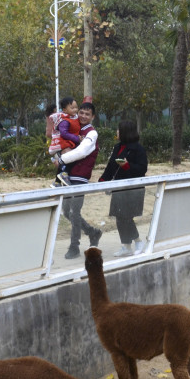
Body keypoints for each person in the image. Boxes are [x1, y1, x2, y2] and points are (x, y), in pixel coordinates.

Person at [54, 101, 102, 259]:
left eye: (87, 114)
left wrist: (61, 160)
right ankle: (92, 232)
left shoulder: (91, 133)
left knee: (74, 212)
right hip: (68, 176)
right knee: (67, 211)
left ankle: (74, 246)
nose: (83, 116)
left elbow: (82, 152)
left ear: (93, 117)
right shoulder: (74, 128)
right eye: (81, 112)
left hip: (80, 177)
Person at [98, 119, 148, 257]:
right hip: (119, 187)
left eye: (119, 130)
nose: (117, 132)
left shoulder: (138, 149)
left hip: (133, 189)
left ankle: (138, 241)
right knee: (119, 217)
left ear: (126, 132)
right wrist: (103, 180)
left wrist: (127, 166)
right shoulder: (117, 147)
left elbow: (142, 169)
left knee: (126, 217)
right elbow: (111, 167)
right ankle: (126, 246)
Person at [49, 97, 80, 186]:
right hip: (65, 143)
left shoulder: (74, 117)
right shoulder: (64, 121)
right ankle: (64, 173)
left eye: (76, 107)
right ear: (64, 110)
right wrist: (77, 138)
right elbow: (64, 134)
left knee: (69, 159)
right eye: (72, 108)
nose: (75, 109)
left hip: (71, 142)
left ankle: (57, 182)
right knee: (71, 157)